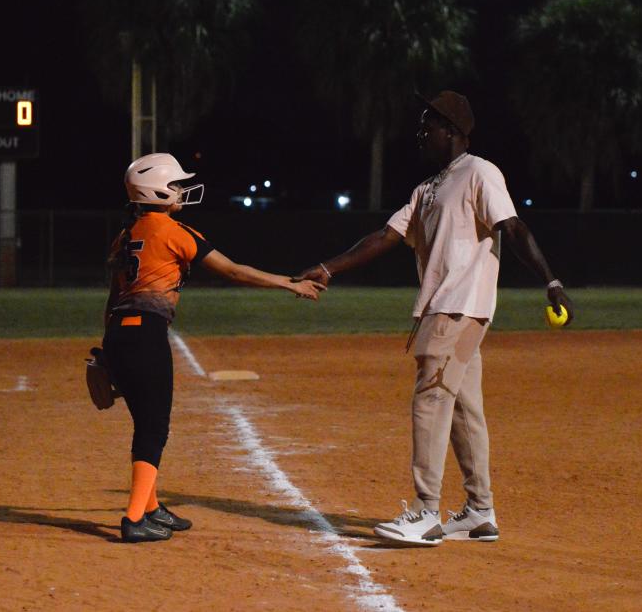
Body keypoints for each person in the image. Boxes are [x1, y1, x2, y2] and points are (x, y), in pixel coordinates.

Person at [295, 90, 574, 546]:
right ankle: (480, 512)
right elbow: (384, 237)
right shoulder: (427, 188)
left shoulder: (479, 172)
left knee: (429, 399)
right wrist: (328, 268)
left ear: (453, 130)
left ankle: (425, 513)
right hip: (445, 307)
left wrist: (550, 281)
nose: (420, 134)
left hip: (457, 308)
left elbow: (513, 227)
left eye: (428, 126)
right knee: (463, 409)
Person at [104, 152, 325, 543]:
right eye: (175, 185)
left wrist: (107, 353)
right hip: (147, 336)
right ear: (154, 190)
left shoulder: (125, 235)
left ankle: (151, 507)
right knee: (155, 427)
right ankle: (135, 518)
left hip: (120, 335)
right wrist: (289, 283)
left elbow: (113, 297)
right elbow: (233, 270)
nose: (181, 191)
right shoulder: (173, 231)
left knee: (145, 425)